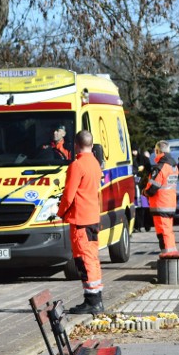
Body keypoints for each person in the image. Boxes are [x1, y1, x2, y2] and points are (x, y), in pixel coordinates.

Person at [57, 130, 104, 314]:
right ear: (91, 145)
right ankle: (97, 297)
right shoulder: (94, 163)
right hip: (92, 217)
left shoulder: (77, 165)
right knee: (92, 258)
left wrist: (60, 212)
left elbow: (68, 195)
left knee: (84, 260)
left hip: (80, 219)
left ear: (76, 145)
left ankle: (92, 301)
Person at [145, 140, 178, 253]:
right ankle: (172, 253)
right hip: (170, 203)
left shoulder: (161, 167)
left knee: (163, 232)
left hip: (160, 204)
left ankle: (167, 256)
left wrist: (145, 192)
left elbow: (152, 188)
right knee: (168, 231)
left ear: (158, 151)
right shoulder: (173, 166)